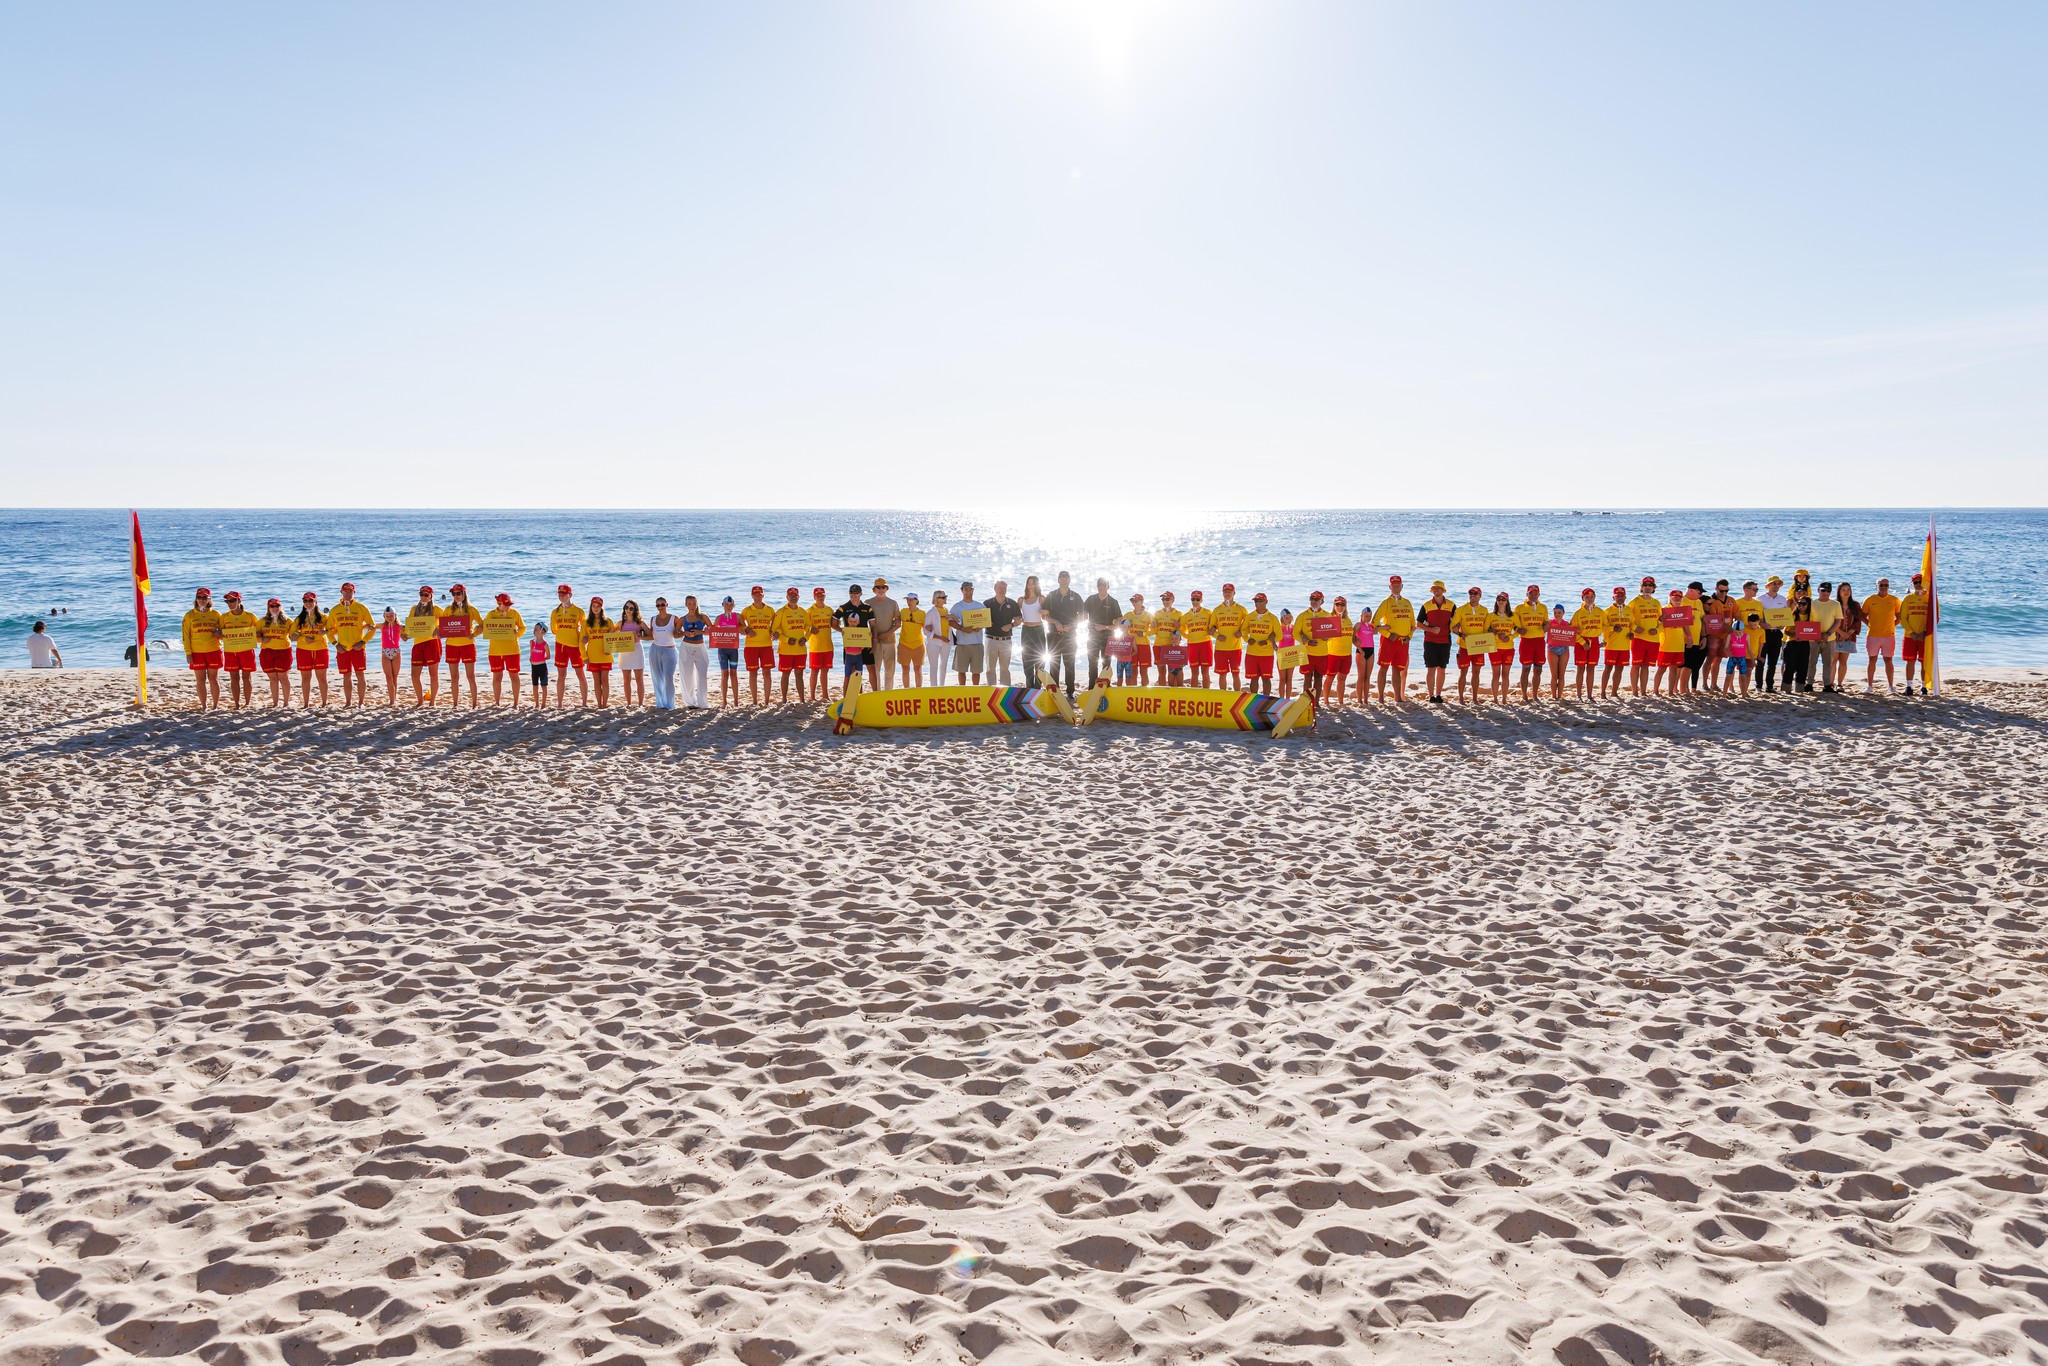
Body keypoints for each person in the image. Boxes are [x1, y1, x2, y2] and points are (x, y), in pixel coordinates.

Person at [329, 582, 374, 708]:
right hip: (342, 648)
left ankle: (361, 702)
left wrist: (362, 642)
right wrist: (335, 644)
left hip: (357, 648)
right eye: (345, 591)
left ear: (354, 592)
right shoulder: (335, 610)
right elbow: (329, 631)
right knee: (346, 676)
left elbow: (372, 627)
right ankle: (348, 702)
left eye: (350, 591)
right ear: (341, 592)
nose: (348, 593)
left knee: (360, 674)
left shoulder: (361, 607)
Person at [1371, 576, 1415, 706]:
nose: (1396, 587)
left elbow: (1413, 623)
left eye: (1398, 584)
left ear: (1402, 586)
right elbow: (1374, 622)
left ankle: (1397, 697)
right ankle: (1380, 697)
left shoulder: (1407, 602)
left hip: (1403, 642)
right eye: (1393, 585)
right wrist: (1388, 634)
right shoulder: (1386, 602)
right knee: (1384, 667)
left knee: (1397, 669)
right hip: (1389, 641)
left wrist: (1410, 636)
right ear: (1389, 587)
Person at [439, 584, 484, 708]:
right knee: (454, 677)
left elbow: (482, 626)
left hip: (467, 645)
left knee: (470, 676)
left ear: (464, 594)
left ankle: (474, 704)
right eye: (454, 594)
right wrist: (439, 633)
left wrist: (474, 634)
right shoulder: (448, 609)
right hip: (451, 645)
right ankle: (455, 704)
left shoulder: (471, 609)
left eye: (458, 593)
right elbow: (441, 626)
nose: (456, 596)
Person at [181, 587, 224, 711]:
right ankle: (204, 706)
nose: (201, 600)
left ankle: (215, 706)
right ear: (196, 599)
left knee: (213, 679)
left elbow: (223, 634)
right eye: (199, 597)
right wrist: (188, 652)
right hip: (196, 652)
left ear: (209, 599)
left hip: (214, 650)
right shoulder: (189, 615)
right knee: (200, 680)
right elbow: (185, 635)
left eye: (204, 598)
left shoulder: (216, 614)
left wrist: (219, 633)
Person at [1044, 571, 1084, 697]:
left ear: (1069, 580)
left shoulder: (1075, 596)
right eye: (1062, 578)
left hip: (1070, 635)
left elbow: (1084, 616)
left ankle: (1070, 691)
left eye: (1066, 578)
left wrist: (1071, 625)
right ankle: (1054, 691)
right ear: (1058, 580)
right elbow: (1045, 616)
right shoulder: (1051, 595)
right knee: (1054, 664)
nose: (1064, 580)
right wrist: (1055, 622)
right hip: (1053, 634)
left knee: (1069, 664)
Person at [1416, 581, 1455, 705]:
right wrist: (1431, 630)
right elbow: (1418, 624)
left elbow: (1457, 622)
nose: (1436, 590)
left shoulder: (1451, 605)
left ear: (1443, 591)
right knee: (1431, 668)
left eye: (1439, 589)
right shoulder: (1427, 605)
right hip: (1430, 641)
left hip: (1445, 641)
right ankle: (1431, 695)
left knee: (1442, 668)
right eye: (1434, 589)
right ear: (1432, 591)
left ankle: (1438, 694)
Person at [549, 584, 589, 708]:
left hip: (575, 646)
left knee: (580, 674)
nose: (561, 596)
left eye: (564, 594)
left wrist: (586, 638)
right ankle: (560, 704)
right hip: (560, 645)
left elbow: (585, 628)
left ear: (570, 595)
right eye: (559, 594)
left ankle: (584, 703)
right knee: (561, 675)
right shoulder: (555, 612)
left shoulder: (578, 611)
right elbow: (554, 629)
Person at [218, 591, 259, 710]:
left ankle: (247, 703)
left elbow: (259, 631)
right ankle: (236, 704)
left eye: (232, 600)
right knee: (234, 678)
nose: (230, 603)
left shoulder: (250, 616)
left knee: (247, 678)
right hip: (231, 651)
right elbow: (220, 633)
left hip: (246, 651)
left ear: (239, 601)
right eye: (227, 601)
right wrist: (219, 634)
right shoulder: (224, 617)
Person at [1451, 587, 1491, 706]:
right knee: (1463, 672)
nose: (1472, 595)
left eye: (1475, 593)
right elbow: (1453, 627)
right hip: (1465, 645)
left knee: (1476, 672)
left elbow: (1486, 629)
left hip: (1478, 644)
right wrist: (1460, 633)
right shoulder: (1461, 609)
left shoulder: (1484, 610)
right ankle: (1461, 698)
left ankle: (1474, 698)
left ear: (1480, 595)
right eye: (1470, 593)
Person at [484, 593, 526, 707]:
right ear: (499, 603)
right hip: (495, 651)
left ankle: (516, 703)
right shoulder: (491, 614)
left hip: (512, 650)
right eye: (506, 604)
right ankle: (497, 702)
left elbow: (523, 627)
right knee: (497, 676)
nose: (508, 606)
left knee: (514, 675)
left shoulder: (514, 613)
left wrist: (517, 633)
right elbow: (485, 628)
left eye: (509, 604)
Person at [294, 591, 332, 708]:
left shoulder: (324, 617)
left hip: (320, 649)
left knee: (321, 677)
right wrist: (303, 637)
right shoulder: (299, 618)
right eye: (305, 601)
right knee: (305, 677)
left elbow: (333, 629)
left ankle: (324, 703)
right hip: (303, 650)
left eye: (311, 600)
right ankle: (305, 704)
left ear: (316, 602)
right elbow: (292, 636)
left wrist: (325, 631)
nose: (308, 603)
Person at [773, 587, 811, 703]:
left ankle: (802, 699)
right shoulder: (781, 612)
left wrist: (805, 638)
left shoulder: (803, 612)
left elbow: (809, 628)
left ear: (798, 597)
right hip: (786, 650)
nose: (793, 598)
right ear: (787, 597)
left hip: (800, 650)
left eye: (795, 596)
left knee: (799, 675)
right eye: (791, 596)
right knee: (786, 674)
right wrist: (786, 640)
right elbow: (774, 630)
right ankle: (784, 699)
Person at [1862, 577, 1901, 692]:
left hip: (1889, 636)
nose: (1884, 587)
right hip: (1873, 635)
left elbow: (1900, 616)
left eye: (1886, 585)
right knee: (1872, 660)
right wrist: (1870, 624)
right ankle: (1869, 686)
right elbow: (1862, 616)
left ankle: (1891, 686)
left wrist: (1893, 625)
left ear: (1888, 587)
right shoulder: (1870, 599)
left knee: (1888, 660)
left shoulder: (1894, 600)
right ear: (1877, 586)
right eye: (1881, 585)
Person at [740, 585, 776, 705]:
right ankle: (755, 701)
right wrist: (746, 629)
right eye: (755, 594)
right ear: (752, 595)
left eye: (759, 594)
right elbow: (739, 624)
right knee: (753, 673)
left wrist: (775, 633)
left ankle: (766, 701)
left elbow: (776, 625)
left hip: (766, 645)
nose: (757, 596)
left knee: (767, 673)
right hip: (751, 646)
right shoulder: (747, 610)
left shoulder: (770, 610)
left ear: (763, 595)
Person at [1627, 577, 1663, 698]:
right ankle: (1634, 692)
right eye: (1645, 585)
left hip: (1653, 640)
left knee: (1646, 666)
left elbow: (1662, 621)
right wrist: (1634, 628)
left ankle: (1643, 691)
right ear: (1641, 587)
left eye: (1650, 585)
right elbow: (1627, 618)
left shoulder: (1656, 603)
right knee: (1636, 665)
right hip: (1639, 638)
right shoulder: (1635, 601)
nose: (1647, 587)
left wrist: (1657, 629)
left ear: (1653, 588)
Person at [406, 586, 442, 707]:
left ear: (431, 596)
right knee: (414, 675)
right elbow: (409, 627)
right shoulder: (414, 609)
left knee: (433, 674)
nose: (423, 597)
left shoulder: (436, 609)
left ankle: (433, 701)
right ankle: (420, 701)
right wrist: (405, 635)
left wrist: (438, 628)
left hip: (432, 643)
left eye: (426, 595)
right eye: (421, 594)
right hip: (417, 644)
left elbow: (447, 621)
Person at [835, 584, 876, 688]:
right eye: (852, 593)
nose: (854, 595)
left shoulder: (867, 608)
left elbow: (873, 625)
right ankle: (857, 694)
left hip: (865, 642)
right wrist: (842, 631)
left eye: (856, 593)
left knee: (871, 668)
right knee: (853, 671)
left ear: (860, 594)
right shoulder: (843, 607)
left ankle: (875, 693)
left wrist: (874, 641)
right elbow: (833, 622)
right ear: (849, 594)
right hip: (850, 643)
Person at [1512, 585, 1548, 701]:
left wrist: (1547, 626)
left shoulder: (1543, 607)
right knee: (1525, 669)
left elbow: (1546, 622)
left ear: (1539, 595)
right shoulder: (1519, 608)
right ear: (1527, 594)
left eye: (1535, 593)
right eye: (1531, 593)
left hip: (1539, 641)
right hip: (1526, 641)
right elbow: (1513, 624)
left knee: (1538, 669)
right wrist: (1518, 630)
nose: (1533, 595)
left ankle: (1535, 695)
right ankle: (1524, 695)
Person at [1084, 578, 1121, 688]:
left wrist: (1104, 627)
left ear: (1108, 587)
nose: (1102, 587)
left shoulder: (1113, 602)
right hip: (1092, 637)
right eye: (1100, 585)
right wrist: (1081, 617)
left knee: (1106, 665)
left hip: (1108, 638)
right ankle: (1091, 688)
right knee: (1092, 664)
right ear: (1097, 587)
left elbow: (1118, 624)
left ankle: (1105, 687)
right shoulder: (1090, 599)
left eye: (1104, 585)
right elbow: (1082, 614)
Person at [1899, 572, 1932, 695]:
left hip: (1925, 636)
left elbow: (1935, 618)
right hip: (1910, 636)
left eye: (1920, 582)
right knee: (1910, 661)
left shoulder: (1930, 599)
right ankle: (1909, 687)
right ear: (1912, 584)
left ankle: (1924, 687)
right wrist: (1911, 632)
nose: (1918, 585)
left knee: (1924, 662)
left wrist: (1925, 632)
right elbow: (1903, 618)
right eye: (1915, 582)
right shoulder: (1908, 599)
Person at [1756, 576, 1790, 693]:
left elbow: (1785, 616)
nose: (1776, 586)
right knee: (1760, 660)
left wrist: (1783, 625)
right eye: (1773, 584)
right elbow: (1757, 616)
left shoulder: (1782, 599)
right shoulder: (1760, 599)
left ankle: (1769, 686)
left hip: (1776, 633)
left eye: (1778, 584)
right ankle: (1758, 686)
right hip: (1764, 633)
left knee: (1773, 662)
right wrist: (1761, 623)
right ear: (1768, 585)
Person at [258, 598, 294, 707]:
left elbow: (295, 634)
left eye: (276, 606)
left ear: (280, 607)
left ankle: (286, 703)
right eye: (272, 606)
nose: (274, 608)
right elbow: (255, 634)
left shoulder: (287, 620)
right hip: (267, 652)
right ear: (268, 608)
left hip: (284, 651)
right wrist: (262, 639)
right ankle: (275, 703)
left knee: (283, 677)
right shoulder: (262, 621)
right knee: (273, 678)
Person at [1212, 584, 1248, 693]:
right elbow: (1211, 628)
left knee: (1235, 674)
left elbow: (1249, 625)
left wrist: (1241, 632)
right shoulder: (1217, 610)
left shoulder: (1241, 609)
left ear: (1234, 593)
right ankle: (1223, 695)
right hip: (1221, 648)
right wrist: (1218, 636)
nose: (1227, 593)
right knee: (1222, 674)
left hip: (1235, 648)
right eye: (1225, 591)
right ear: (1222, 593)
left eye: (1229, 591)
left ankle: (1237, 695)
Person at [1570, 589, 1605, 701]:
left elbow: (1606, 627)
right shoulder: (1578, 613)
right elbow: (1572, 631)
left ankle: (1589, 695)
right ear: (1583, 599)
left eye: (1591, 597)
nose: (1589, 599)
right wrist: (1582, 642)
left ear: (1594, 597)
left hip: (1594, 641)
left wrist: (1605, 641)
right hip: (1581, 642)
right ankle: (1579, 696)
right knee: (1580, 669)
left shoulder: (1600, 612)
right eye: (1587, 597)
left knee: (1591, 669)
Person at [1654, 588, 1691, 695]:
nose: (1677, 600)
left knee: (1674, 669)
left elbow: (1685, 626)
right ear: (1670, 598)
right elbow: (1656, 625)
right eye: (1675, 598)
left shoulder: (1683, 611)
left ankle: (1670, 692)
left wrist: (1689, 637)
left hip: (1679, 645)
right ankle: (1656, 691)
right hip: (1666, 645)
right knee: (1662, 669)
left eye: (1679, 598)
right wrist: (1660, 620)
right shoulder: (1664, 610)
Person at [1700, 581, 1735, 692]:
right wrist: (1729, 628)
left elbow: (1737, 614)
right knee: (1710, 659)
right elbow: (1713, 619)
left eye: (1726, 590)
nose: (1724, 593)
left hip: (1726, 635)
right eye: (1721, 590)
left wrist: (1738, 626)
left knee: (1719, 660)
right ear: (1716, 589)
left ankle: (1714, 684)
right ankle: (1705, 684)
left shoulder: (1731, 600)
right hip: (1714, 634)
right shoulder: (1712, 602)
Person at [1295, 591, 1330, 699]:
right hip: (1307, 651)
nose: (1313, 601)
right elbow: (1295, 633)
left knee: (1319, 678)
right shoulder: (1303, 615)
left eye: (1316, 599)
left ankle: (1317, 702)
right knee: (1307, 677)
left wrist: (1327, 636)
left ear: (1322, 601)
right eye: (1312, 599)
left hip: (1322, 652)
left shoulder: (1327, 615)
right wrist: (1306, 641)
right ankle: (1306, 701)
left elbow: (1333, 632)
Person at [1810, 582, 1843, 694]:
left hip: (1829, 638)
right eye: (1823, 590)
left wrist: (1827, 633)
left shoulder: (1835, 604)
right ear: (1818, 590)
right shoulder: (1812, 603)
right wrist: (1815, 635)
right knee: (1811, 662)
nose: (1825, 593)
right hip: (1813, 639)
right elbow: (1807, 622)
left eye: (1828, 591)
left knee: (1828, 663)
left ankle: (1827, 685)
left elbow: (1838, 621)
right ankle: (1809, 684)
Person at [679, 596, 711, 708]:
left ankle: (702, 703)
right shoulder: (683, 619)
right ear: (686, 604)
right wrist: (684, 633)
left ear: (697, 604)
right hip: (686, 648)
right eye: (689, 603)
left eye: (694, 603)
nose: (692, 606)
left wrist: (701, 632)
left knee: (702, 676)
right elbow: (675, 633)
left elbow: (712, 630)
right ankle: (690, 703)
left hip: (700, 647)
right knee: (687, 676)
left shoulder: (703, 617)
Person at [867, 578, 900, 690]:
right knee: (875, 670)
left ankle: (888, 693)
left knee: (890, 671)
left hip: (889, 641)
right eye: (878, 587)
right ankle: (877, 693)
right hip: (873, 642)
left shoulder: (893, 603)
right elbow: (863, 623)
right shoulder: (868, 603)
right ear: (874, 589)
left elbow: (898, 623)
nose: (881, 589)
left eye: (883, 587)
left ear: (887, 589)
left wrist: (885, 634)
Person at [951, 582, 986, 685]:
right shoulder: (957, 606)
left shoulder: (980, 606)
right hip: (962, 643)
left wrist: (980, 627)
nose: (968, 591)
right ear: (962, 590)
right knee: (961, 671)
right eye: (966, 589)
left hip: (977, 643)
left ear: (973, 590)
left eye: (970, 589)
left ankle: (975, 690)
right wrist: (962, 629)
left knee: (976, 671)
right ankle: (962, 689)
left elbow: (987, 621)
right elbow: (950, 621)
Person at [649, 597, 680, 710]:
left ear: (667, 605)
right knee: (657, 678)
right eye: (658, 605)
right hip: (655, 650)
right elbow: (650, 635)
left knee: (668, 677)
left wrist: (687, 634)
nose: (660, 607)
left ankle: (670, 705)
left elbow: (677, 634)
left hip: (670, 650)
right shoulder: (653, 619)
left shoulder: (674, 618)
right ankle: (660, 704)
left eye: (662, 604)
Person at [805, 587, 836, 702]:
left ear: (825, 596)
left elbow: (834, 624)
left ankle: (825, 695)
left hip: (828, 646)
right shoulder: (810, 611)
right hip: (815, 647)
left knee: (825, 671)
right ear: (814, 596)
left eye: (822, 594)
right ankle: (812, 696)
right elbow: (805, 627)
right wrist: (809, 631)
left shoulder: (829, 610)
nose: (820, 596)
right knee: (814, 671)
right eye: (818, 595)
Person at [615, 600, 648, 706]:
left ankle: (640, 704)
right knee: (626, 680)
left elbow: (651, 636)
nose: (628, 610)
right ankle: (628, 703)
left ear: (635, 610)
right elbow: (610, 636)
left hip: (637, 650)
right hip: (624, 652)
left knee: (639, 679)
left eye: (631, 608)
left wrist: (640, 637)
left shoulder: (640, 623)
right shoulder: (620, 623)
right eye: (626, 607)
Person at [583, 597, 615, 706]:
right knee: (596, 682)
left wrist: (612, 633)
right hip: (592, 656)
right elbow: (581, 642)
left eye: (598, 606)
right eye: (594, 606)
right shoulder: (586, 623)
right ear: (591, 607)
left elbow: (615, 639)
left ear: (602, 607)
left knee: (605, 681)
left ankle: (605, 704)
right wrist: (584, 657)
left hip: (605, 655)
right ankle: (599, 704)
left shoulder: (608, 621)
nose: (596, 608)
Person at [985, 580, 1019, 685]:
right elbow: (980, 619)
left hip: (1006, 641)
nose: (1001, 590)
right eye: (999, 588)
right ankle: (992, 691)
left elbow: (1019, 620)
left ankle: (1005, 691)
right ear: (995, 589)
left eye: (1004, 588)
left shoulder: (1012, 603)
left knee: (1005, 669)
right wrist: (985, 622)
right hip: (991, 640)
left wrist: (1011, 625)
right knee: (990, 669)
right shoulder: (987, 603)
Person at [1831, 581, 1862, 692]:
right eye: (1843, 590)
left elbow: (1858, 620)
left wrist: (1849, 633)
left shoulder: (1855, 605)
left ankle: (1839, 684)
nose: (1846, 592)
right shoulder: (1833, 604)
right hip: (1834, 636)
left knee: (1843, 661)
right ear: (1839, 591)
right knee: (1833, 661)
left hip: (1849, 637)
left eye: (1848, 590)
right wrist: (1840, 632)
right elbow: (1830, 621)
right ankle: (1830, 683)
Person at [1600, 587, 1631, 699]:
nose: (1620, 598)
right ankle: (1603, 693)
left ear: (1625, 597)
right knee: (1608, 668)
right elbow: (1603, 627)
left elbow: (1632, 624)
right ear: (1613, 597)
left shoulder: (1629, 610)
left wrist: (1632, 633)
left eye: (1622, 596)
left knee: (1620, 669)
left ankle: (1614, 692)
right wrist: (1613, 628)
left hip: (1625, 645)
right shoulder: (1607, 611)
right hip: (1611, 645)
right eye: (1617, 596)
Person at [1243, 593, 1278, 691]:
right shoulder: (1250, 616)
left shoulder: (1272, 618)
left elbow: (1279, 635)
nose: (1257, 603)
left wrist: (1267, 642)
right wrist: (1247, 639)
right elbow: (1243, 630)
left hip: (1266, 654)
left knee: (1266, 679)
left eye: (1260, 601)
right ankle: (1253, 700)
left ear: (1266, 602)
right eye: (1256, 601)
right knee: (1253, 679)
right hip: (1251, 653)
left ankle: (1266, 701)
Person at [1485, 591, 1515, 703]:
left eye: (1503, 599)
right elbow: (1485, 629)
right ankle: (1495, 698)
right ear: (1496, 601)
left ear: (1507, 601)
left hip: (1508, 648)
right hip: (1494, 648)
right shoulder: (1491, 615)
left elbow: (1518, 630)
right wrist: (1494, 632)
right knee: (1496, 674)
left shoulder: (1513, 615)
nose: (1501, 601)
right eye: (1499, 599)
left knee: (1506, 674)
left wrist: (1510, 637)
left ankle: (1504, 698)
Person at [1782, 591, 1814, 693]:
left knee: (1803, 667)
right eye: (1799, 603)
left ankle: (1799, 690)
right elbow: (1785, 631)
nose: (1801, 606)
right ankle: (1786, 689)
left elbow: (1813, 631)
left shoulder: (1811, 617)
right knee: (1789, 667)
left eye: (1804, 604)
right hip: (1792, 643)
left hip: (1805, 644)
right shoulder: (1793, 615)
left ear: (1808, 605)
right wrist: (1794, 636)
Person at [1182, 589, 1215, 690]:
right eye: (1193, 599)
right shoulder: (1187, 615)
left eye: (1197, 599)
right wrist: (1188, 636)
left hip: (1205, 644)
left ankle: (1206, 692)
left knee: (1205, 671)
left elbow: (1215, 624)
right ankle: (1194, 693)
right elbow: (1179, 627)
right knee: (1194, 672)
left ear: (1201, 600)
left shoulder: (1208, 613)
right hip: (1192, 645)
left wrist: (1214, 629)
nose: (1195, 601)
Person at [713, 596, 743, 707]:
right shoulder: (718, 618)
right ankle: (724, 701)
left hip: (733, 649)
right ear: (723, 605)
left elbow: (743, 628)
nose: (729, 607)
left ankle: (736, 701)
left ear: (734, 606)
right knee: (724, 674)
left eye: (731, 605)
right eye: (726, 604)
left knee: (734, 674)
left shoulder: (738, 617)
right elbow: (713, 633)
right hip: (722, 650)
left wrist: (744, 631)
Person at [1019, 576, 1047, 685]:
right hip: (1026, 630)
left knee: (1040, 660)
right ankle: (1029, 686)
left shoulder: (1041, 598)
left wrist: (1045, 612)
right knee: (1027, 661)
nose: (1030, 586)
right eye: (1029, 583)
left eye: (1033, 583)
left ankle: (1037, 686)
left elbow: (1047, 613)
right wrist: (1018, 619)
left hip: (1038, 630)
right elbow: (1017, 616)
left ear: (1037, 585)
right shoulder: (1021, 600)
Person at [1151, 590, 1183, 687]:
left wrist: (1179, 626)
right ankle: (1162, 691)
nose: (1165, 601)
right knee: (1161, 671)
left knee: (1174, 671)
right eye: (1163, 599)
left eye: (1167, 599)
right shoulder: (1157, 614)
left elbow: (1182, 631)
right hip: (1158, 645)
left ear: (1173, 600)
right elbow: (1153, 630)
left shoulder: (1178, 614)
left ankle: (1175, 692)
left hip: (1171, 646)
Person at [896, 591, 927, 687]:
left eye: (911, 600)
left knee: (918, 670)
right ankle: (906, 689)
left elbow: (928, 628)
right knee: (905, 669)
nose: (909, 602)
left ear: (916, 601)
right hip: (904, 644)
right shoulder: (903, 611)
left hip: (918, 645)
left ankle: (918, 690)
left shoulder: (922, 614)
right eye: (907, 600)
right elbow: (895, 622)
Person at [1123, 592, 1154, 686]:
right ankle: (1133, 691)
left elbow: (1154, 630)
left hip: (1144, 645)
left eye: (1136, 601)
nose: (1134, 603)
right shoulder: (1128, 615)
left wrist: (1144, 633)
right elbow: (1120, 626)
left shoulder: (1148, 615)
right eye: (1132, 601)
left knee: (1143, 671)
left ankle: (1144, 691)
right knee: (1133, 670)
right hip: (1131, 645)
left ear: (1142, 601)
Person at [1350, 603, 1376, 706]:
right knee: (1361, 676)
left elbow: (1381, 628)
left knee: (1367, 677)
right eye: (1366, 616)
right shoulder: (1358, 624)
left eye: (1369, 616)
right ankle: (1359, 700)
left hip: (1371, 651)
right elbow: (1353, 638)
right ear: (1361, 615)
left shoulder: (1370, 626)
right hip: (1361, 651)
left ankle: (1366, 700)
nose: (1368, 618)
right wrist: (1359, 649)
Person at [1723, 613, 1755, 697]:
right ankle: (1724, 694)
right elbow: (1725, 648)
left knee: (1743, 677)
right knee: (1728, 676)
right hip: (1732, 658)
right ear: (1733, 630)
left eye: (1740, 632)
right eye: (1736, 632)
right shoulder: (1730, 636)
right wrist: (1729, 654)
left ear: (1743, 630)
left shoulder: (1746, 636)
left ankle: (1744, 695)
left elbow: (1749, 648)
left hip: (1742, 658)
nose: (1738, 633)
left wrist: (1752, 659)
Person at [378, 607, 403, 705]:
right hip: (385, 652)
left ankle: (394, 699)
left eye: (391, 616)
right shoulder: (381, 626)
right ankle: (392, 701)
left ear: (395, 615)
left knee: (395, 677)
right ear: (384, 616)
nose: (389, 618)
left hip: (396, 652)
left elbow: (412, 628)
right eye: (387, 616)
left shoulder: (399, 626)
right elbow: (370, 626)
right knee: (389, 677)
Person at [1546, 603, 1571, 698]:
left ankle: (1559, 696)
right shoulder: (1549, 623)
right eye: (1555, 612)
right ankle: (1553, 696)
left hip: (1564, 649)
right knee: (1554, 675)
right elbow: (1542, 630)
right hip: (1552, 649)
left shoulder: (1567, 624)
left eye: (1559, 612)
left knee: (1561, 674)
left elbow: (1573, 634)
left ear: (1563, 613)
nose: (1557, 614)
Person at [926, 589, 952, 679]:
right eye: (943, 597)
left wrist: (954, 617)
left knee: (943, 666)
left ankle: (942, 687)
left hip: (946, 642)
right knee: (934, 667)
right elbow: (925, 631)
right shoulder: (931, 612)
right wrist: (941, 638)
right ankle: (934, 688)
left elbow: (954, 624)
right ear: (937, 599)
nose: (945, 599)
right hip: (933, 643)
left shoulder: (946, 611)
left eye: (946, 597)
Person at [1275, 608, 1297, 699]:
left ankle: (1288, 698)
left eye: (1290, 617)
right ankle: (1281, 698)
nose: (1289, 619)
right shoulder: (1279, 628)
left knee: (1289, 679)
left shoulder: (1293, 628)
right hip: (1282, 655)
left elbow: (1300, 634)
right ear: (1282, 618)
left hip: (1291, 655)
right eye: (1287, 618)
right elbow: (1272, 637)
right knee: (1282, 679)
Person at [529, 623, 551, 706]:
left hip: (542, 667)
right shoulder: (532, 642)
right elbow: (531, 654)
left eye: (537, 629)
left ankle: (543, 704)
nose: (534, 630)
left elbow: (548, 656)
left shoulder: (545, 644)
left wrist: (540, 658)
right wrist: (531, 659)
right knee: (535, 686)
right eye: (534, 628)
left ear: (542, 632)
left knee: (543, 686)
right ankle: (537, 703)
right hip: (534, 667)